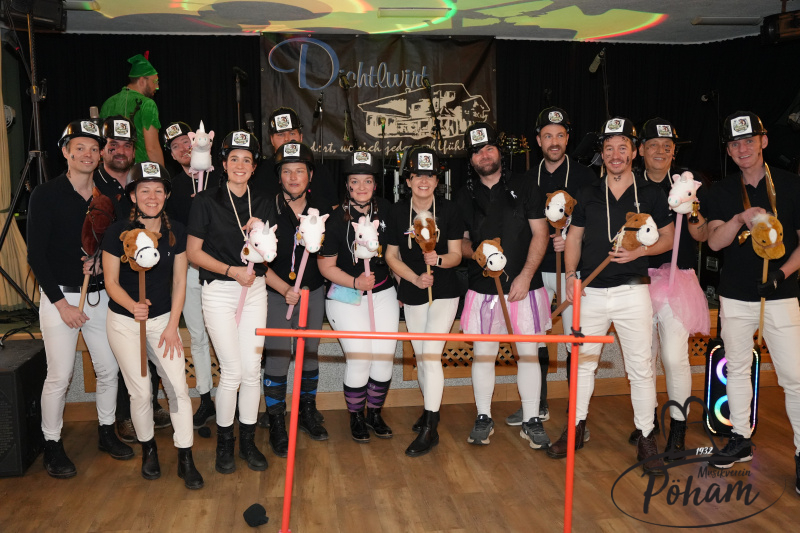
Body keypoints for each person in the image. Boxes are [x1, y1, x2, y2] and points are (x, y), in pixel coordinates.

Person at [555, 117, 673, 475]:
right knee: (582, 363)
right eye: (609, 148)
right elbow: (574, 239)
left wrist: (640, 252)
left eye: (623, 147)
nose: (616, 154)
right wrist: (571, 277)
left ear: (634, 152)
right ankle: (576, 428)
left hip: (633, 291)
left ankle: (647, 437)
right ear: (602, 154)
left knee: (640, 367)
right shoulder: (587, 191)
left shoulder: (650, 192)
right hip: (590, 292)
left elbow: (668, 238)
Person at [27, 119, 133, 478]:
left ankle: (106, 431)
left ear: (100, 153)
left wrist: (102, 263)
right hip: (59, 298)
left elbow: (117, 246)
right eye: (79, 148)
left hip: (99, 297)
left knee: (108, 369)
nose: (87, 154)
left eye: (93, 148)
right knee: (60, 375)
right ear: (66, 152)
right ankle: (52, 444)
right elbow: (35, 256)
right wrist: (61, 305)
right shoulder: (45, 195)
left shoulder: (109, 198)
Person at [706, 112, 800, 491]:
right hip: (735, 295)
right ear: (728, 151)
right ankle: (740, 438)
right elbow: (714, 242)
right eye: (734, 143)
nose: (742, 148)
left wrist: (782, 274)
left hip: (782, 296)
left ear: (764, 141)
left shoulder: (792, 184)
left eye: (749, 140)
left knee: (794, 377)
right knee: (738, 369)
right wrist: (738, 219)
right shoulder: (720, 191)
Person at [102, 162, 203, 489]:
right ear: (133, 196)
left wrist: (173, 325)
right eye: (144, 190)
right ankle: (149, 449)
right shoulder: (117, 232)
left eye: (158, 190)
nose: (152, 196)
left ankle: (185, 456)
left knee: (178, 388)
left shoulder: (177, 233)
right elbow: (111, 281)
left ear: (166, 195)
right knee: (141, 392)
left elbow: (180, 282)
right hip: (124, 321)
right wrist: (132, 306)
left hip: (163, 322)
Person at [455, 122, 552, 449]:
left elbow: (541, 233)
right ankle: (483, 416)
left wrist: (525, 275)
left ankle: (531, 419)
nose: (484, 155)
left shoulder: (526, 185)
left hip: (526, 286)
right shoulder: (464, 195)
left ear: (499, 151)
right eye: (477, 152)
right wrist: (476, 252)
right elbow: (461, 243)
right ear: (471, 160)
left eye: (489, 148)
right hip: (482, 288)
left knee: (528, 355)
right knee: (483, 355)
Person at [187, 130, 272, 473]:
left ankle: (247, 443)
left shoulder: (263, 202)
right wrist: (231, 270)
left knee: (252, 371)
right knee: (233, 370)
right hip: (219, 291)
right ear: (223, 164)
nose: (240, 165)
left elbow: (272, 254)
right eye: (233, 158)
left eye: (246, 160)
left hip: (255, 291)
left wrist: (262, 233)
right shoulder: (205, 200)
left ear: (254, 167)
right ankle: (225, 444)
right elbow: (193, 253)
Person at [506, 106, 597, 427]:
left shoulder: (586, 177)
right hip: (536, 272)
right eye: (547, 136)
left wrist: (572, 240)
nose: (554, 142)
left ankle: (576, 415)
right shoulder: (526, 179)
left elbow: (597, 226)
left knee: (575, 340)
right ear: (538, 140)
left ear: (568, 138)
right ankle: (538, 404)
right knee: (535, 340)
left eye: (560, 135)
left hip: (573, 271)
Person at [634, 118, 710, 456]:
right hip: (638, 280)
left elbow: (701, 235)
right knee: (644, 357)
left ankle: (678, 428)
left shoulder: (689, 184)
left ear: (674, 152)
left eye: (667, 146)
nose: (660, 151)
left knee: (673, 356)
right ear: (641, 150)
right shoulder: (631, 186)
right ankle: (647, 424)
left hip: (677, 280)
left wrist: (691, 210)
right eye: (653, 145)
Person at [95, 115, 172, 443]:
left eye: (127, 145)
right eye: (113, 145)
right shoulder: (94, 183)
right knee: (119, 360)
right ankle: (124, 415)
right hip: (107, 285)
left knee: (149, 350)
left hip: (144, 281)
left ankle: (149, 404)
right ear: (103, 149)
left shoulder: (142, 180)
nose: (120, 151)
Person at [385, 146, 464, 457]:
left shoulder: (450, 210)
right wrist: (414, 278)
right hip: (413, 288)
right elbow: (391, 256)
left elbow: (456, 254)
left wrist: (438, 260)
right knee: (421, 355)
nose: (424, 181)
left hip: (444, 290)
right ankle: (430, 410)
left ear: (437, 180)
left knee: (430, 355)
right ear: (408, 180)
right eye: (418, 175)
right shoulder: (396, 212)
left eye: (430, 175)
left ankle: (431, 428)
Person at [319, 151, 399, 443]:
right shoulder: (334, 219)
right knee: (361, 357)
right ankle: (356, 416)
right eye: (355, 181)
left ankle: (374, 414)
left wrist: (403, 285)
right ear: (347, 185)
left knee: (384, 358)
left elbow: (394, 255)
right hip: (345, 295)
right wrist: (355, 281)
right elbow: (325, 267)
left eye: (367, 181)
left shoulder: (387, 210)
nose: (362, 187)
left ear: (375, 184)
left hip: (383, 292)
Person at [261, 141, 331, 458]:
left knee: (309, 353)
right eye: (286, 171)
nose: (293, 177)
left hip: (312, 292)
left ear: (310, 175)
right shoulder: (266, 207)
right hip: (277, 292)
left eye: (299, 171)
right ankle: (277, 420)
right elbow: (255, 260)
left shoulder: (323, 209)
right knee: (278, 357)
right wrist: (282, 288)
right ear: (279, 176)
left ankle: (307, 410)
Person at [163, 121, 216, 429]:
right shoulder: (171, 189)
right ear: (171, 155)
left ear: (198, 141)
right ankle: (206, 398)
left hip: (222, 269)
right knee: (197, 335)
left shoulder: (219, 176)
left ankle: (233, 394)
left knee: (226, 334)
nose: (184, 148)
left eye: (187, 141)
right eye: (176, 146)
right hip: (190, 270)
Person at [249, 107, 338, 209]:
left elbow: (334, 209)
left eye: (292, 133)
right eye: (281, 134)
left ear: (301, 137)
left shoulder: (319, 171)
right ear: (271, 140)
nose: (287, 139)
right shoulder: (260, 173)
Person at [100, 53, 164, 165]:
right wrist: (162, 174)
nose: (157, 87)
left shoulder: (108, 103)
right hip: (140, 170)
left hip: (112, 168)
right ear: (142, 81)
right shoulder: (147, 104)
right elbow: (152, 148)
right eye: (155, 82)